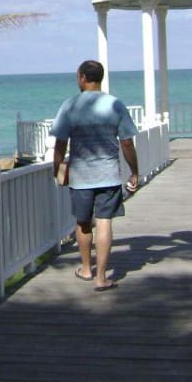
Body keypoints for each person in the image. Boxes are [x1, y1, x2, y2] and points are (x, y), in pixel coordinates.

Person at [50, 60, 139, 291]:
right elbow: (127, 142)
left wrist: (56, 168)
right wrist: (135, 171)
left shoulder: (70, 105)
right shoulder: (115, 105)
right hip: (108, 175)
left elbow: (60, 142)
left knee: (82, 222)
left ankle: (86, 269)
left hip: (81, 176)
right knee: (104, 222)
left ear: (81, 77)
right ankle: (101, 278)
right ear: (101, 78)